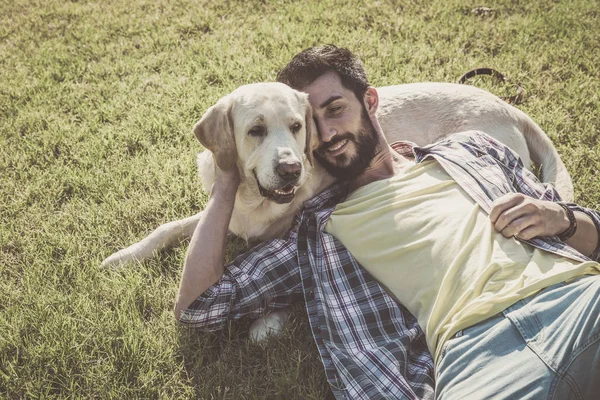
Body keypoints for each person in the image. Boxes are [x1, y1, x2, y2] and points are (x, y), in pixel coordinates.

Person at [175, 45, 600, 399]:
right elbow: (200, 307)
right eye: (312, 125)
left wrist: (562, 218)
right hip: (477, 355)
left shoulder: (470, 150)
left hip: (578, 301)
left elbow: (591, 235)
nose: (325, 135)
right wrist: (226, 171)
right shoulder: (317, 227)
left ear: (371, 102)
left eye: (336, 109)